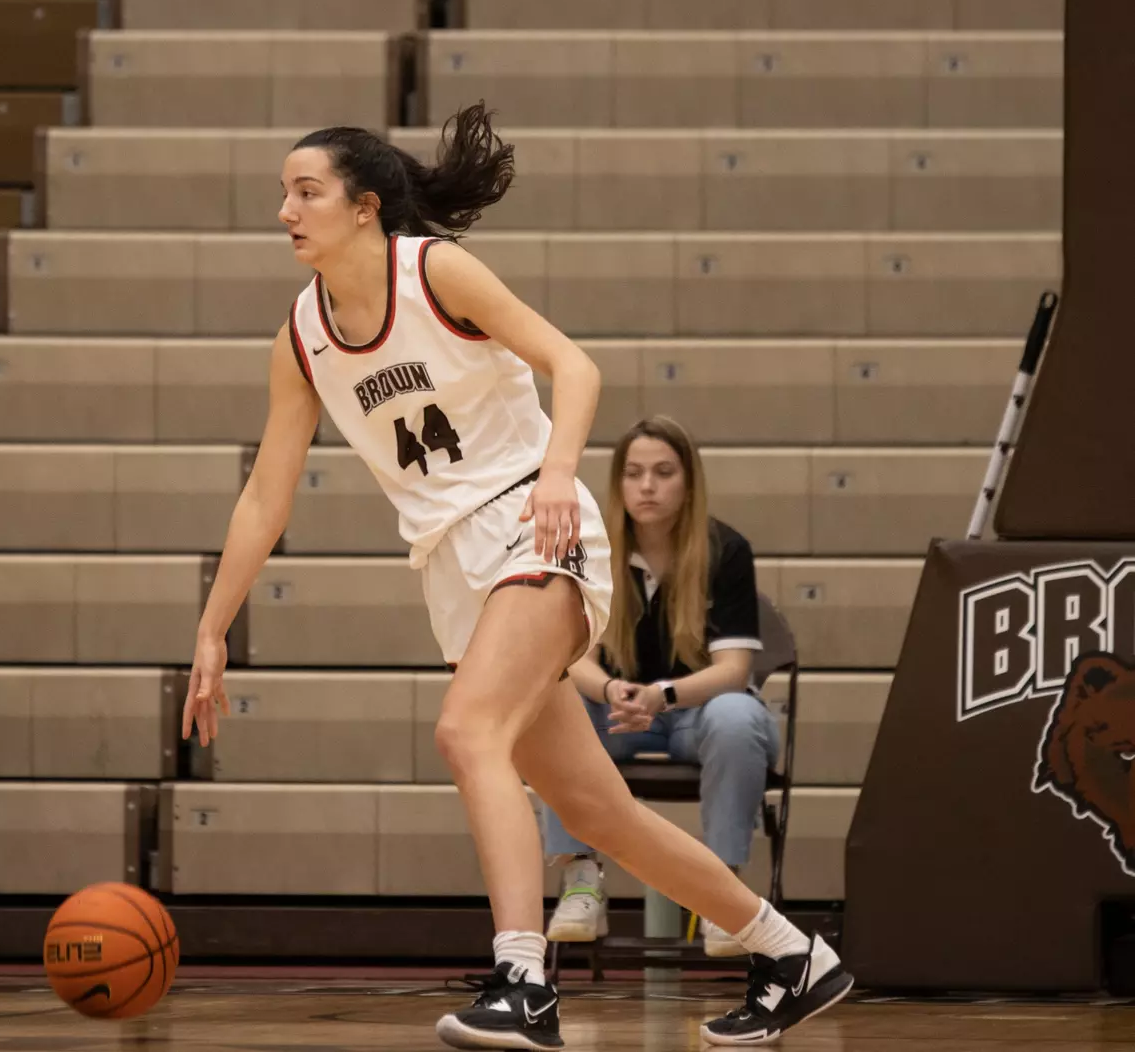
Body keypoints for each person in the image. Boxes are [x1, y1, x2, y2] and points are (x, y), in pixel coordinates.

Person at [181, 103, 852, 1049]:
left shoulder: (435, 270)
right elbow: (264, 497)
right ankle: (791, 955)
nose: (284, 210)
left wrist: (554, 476)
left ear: (365, 207)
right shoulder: (301, 337)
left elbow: (573, 368)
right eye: (283, 194)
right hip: (451, 563)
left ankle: (523, 979)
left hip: (535, 522)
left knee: (465, 731)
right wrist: (213, 628)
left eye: (305, 192)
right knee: (596, 811)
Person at [540, 416, 782, 961]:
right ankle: (581, 880)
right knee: (554, 702)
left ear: (688, 483)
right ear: (618, 484)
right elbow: (573, 658)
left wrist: (663, 696)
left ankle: (725, 898)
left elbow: (734, 669)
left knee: (738, 717)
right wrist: (609, 692)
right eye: (634, 473)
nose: (647, 486)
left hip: (694, 716)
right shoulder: (590, 547)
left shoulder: (726, 550)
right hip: (618, 715)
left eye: (663, 472)